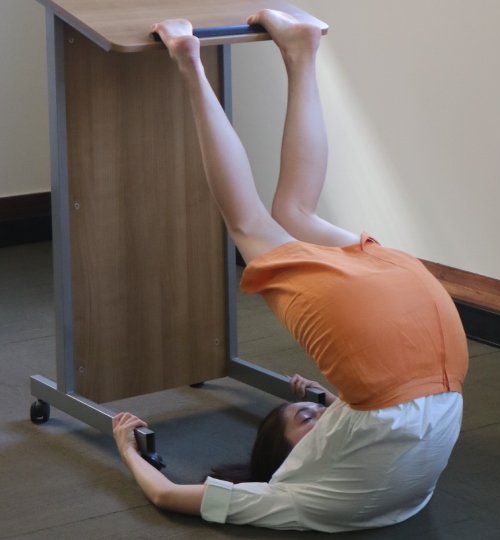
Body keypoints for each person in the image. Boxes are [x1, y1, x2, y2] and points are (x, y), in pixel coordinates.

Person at [112, 9, 468, 532]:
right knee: (247, 223)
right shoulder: (294, 496)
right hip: (390, 358)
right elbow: (165, 494)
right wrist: (127, 445)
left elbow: (372, 438)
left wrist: (321, 401)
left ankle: (300, 49)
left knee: (291, 216)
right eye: (310, 416)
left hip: (440, 340)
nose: (320, 410)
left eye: (310, 415)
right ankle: (191, 63)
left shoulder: (365, 491)